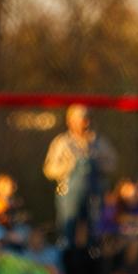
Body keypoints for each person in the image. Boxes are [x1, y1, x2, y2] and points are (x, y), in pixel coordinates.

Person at [42, 104, 117, 248]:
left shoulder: (99, 142)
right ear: (70, 121)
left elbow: (113, 164)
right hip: (69, 194)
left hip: (94, 195)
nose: (86, 123)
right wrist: (69, 166)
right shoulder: (62, 142)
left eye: (87, 119)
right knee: (68, 230)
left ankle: (92, 259)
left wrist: (97, 162)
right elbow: (49, 170)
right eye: (81, 120)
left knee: (94, 231)